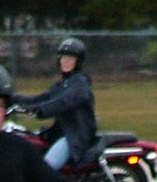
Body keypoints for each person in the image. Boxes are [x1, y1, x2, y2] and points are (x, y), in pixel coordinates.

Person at [13, 37, 97, 170]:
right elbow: (42, 98)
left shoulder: (80, 83)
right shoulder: (63, 84)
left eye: (70, 59)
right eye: (63, 58)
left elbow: (64, 102)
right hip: (59, 133)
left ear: (78, 61)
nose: (65, 61)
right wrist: (11, 98)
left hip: (74, 136)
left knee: (45, 169)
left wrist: (40, 109)